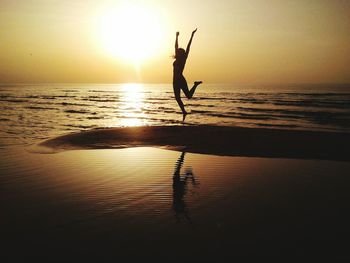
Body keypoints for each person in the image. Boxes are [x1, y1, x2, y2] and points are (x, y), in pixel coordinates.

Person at [173, 28, 202, 121]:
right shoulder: (177, 58)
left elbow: (188, 46)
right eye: (178, 51)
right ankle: (184, 112)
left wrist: (192, 35)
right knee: (177, 98)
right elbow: (176, 46)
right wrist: (176, 36)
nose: (178, 51)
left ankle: (195, 84)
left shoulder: (183, 59)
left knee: (189, 96)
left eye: (180, 51)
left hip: (180, 79)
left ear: (182, 53)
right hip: (174, 80)